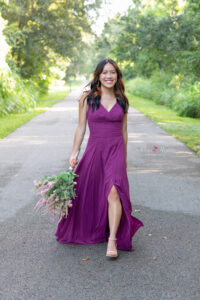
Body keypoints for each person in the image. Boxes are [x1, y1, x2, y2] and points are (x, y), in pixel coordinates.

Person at [54, 58, 144, 259]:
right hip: (95, 150)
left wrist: (125, 158)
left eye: (112, 72)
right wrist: (74, 153)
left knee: (114, 192)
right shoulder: (87, 98)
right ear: (98, 75)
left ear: (117, 76)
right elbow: (80, 127)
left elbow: (124, 131)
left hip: (116, 150)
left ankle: (112, 240)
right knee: (92, 192)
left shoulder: (123, 100)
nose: (109, 76)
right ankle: (97, 228)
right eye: (104, 72)